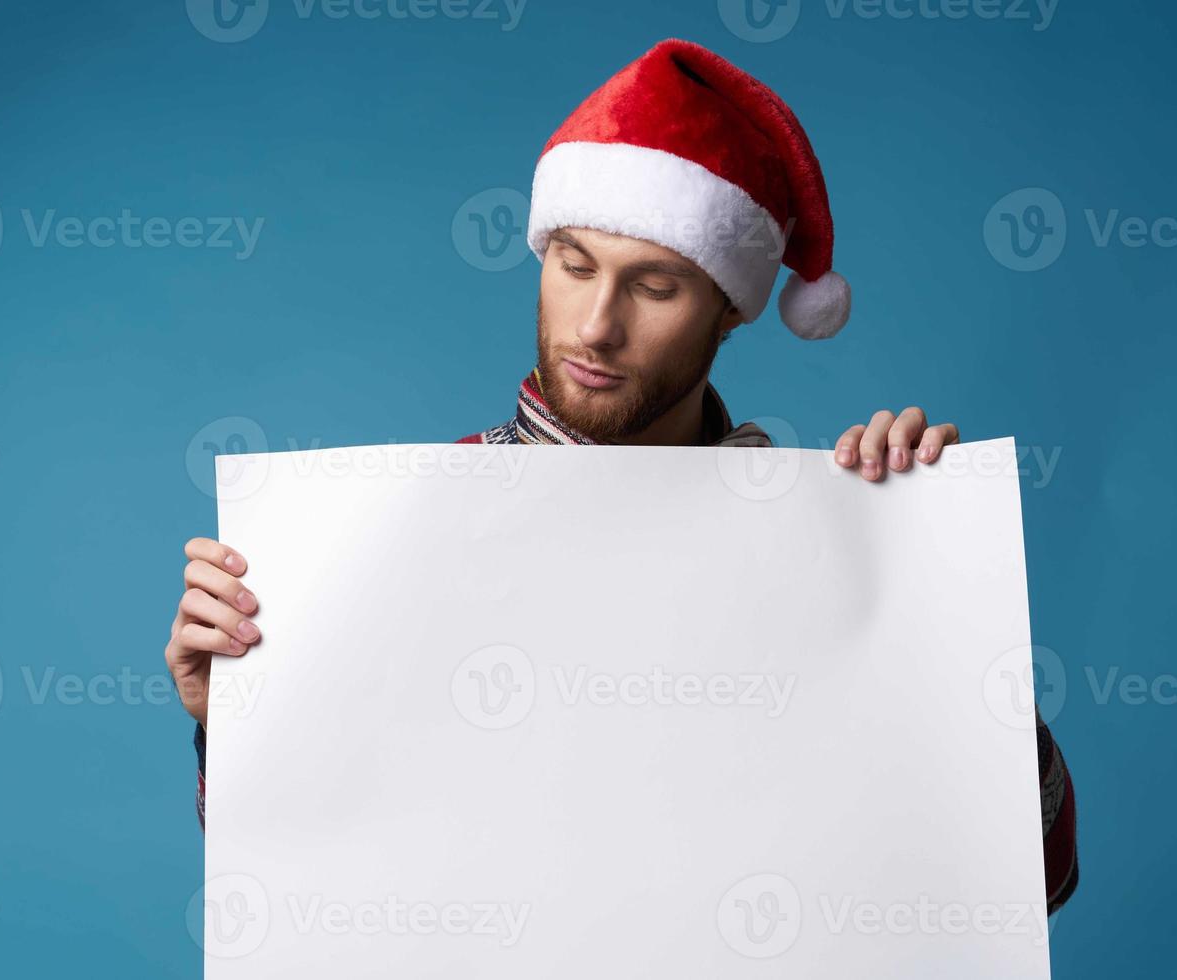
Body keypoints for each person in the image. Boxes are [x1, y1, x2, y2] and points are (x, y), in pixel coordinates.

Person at [164, 38, 1078, 915]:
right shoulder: (388, 532)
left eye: (654, 287)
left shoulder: (835, 543)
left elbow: (1032, 883)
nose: (597, 325)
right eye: (575, 266)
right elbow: (303, 897)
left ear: (729, 314)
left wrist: (949, 619)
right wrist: (232, 720)